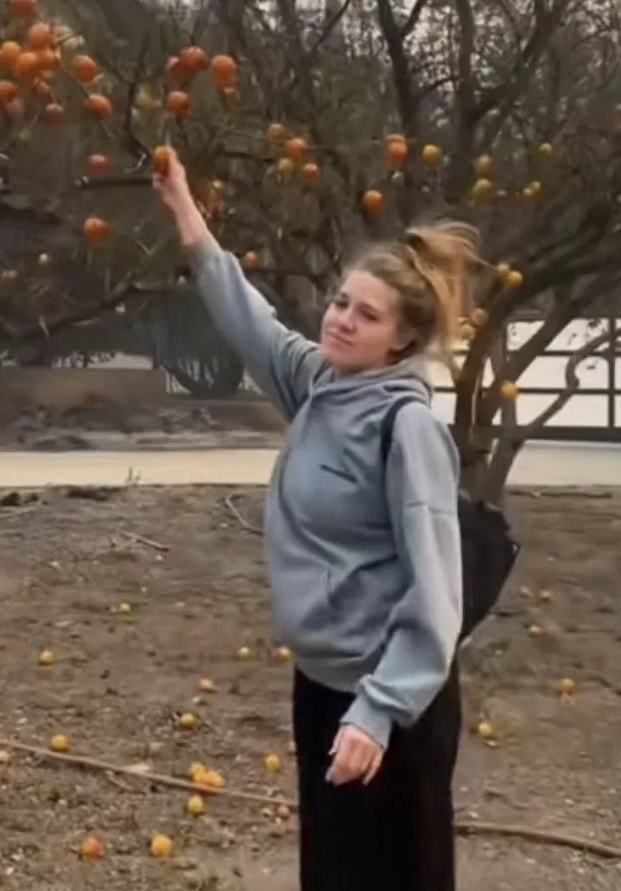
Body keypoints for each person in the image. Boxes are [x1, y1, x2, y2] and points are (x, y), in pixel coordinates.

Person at [154, 151, 478, 891]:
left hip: (389, 700)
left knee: (396, 876)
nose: (340, 319)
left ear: (400, 341)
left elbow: (437, 593)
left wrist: (379, 710)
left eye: (365, 314)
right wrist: (182, 206)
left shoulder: (406, 429)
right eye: (339, 301)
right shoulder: (319, 384)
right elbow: (249, 320)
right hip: (322, 685)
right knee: (330, 872)